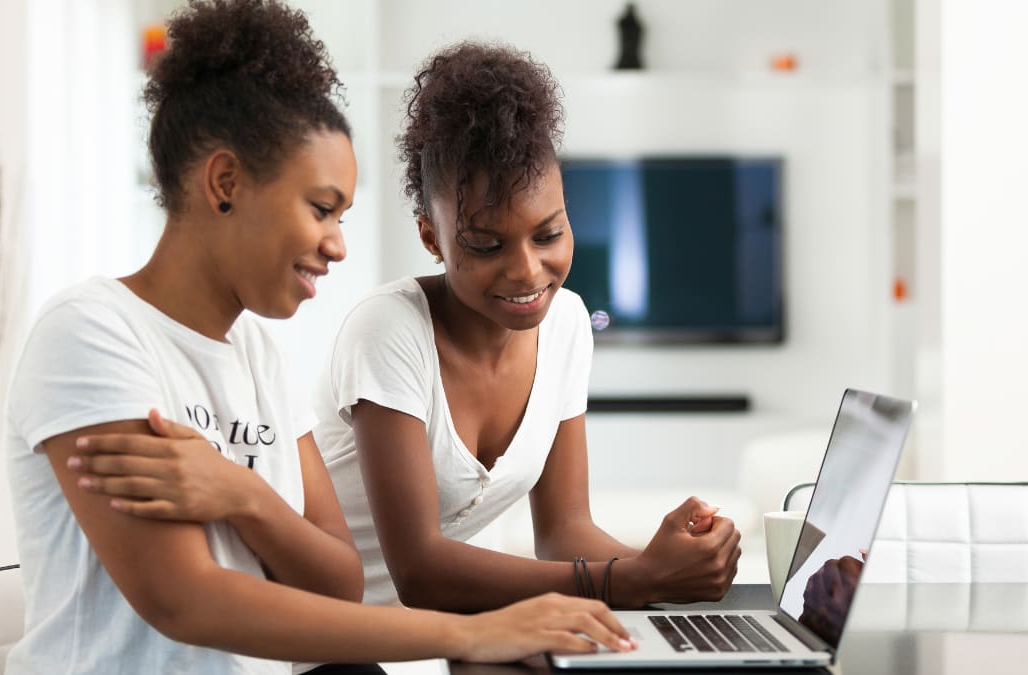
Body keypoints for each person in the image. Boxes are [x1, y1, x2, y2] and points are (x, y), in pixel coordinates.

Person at [3, 2, 631, 673]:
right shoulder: (93, 332)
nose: (336, 245)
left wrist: (241, 493)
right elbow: (183, 599)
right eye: (321, 208)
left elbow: (338, 578)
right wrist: (468, 634)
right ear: (225, 183)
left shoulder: (257, 359)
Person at [71, 41, 739, 612]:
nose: (527, 270)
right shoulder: (389, 333)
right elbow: (416, 568)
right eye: (485, 244)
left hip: (443, 634)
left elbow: (564, 532)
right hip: (345, 638)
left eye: (550, 233)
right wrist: (630, 581)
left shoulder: (566, 326)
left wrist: (666, 567)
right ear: (432, 237)